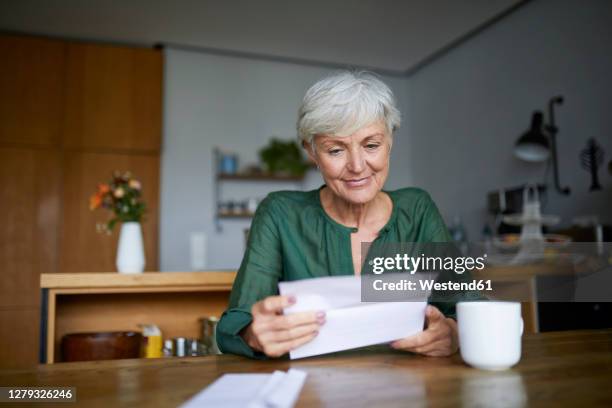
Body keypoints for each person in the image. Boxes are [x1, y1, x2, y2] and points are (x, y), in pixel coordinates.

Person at [217, 71, 476, 359]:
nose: (356, 166)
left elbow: (469, 302)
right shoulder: (279, 213)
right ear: (312, 152)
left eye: (371, 145)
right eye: (336, 150)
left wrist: (452, 333)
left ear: (390, 142)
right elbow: (234, 324)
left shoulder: (417, 210)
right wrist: (253, 334)